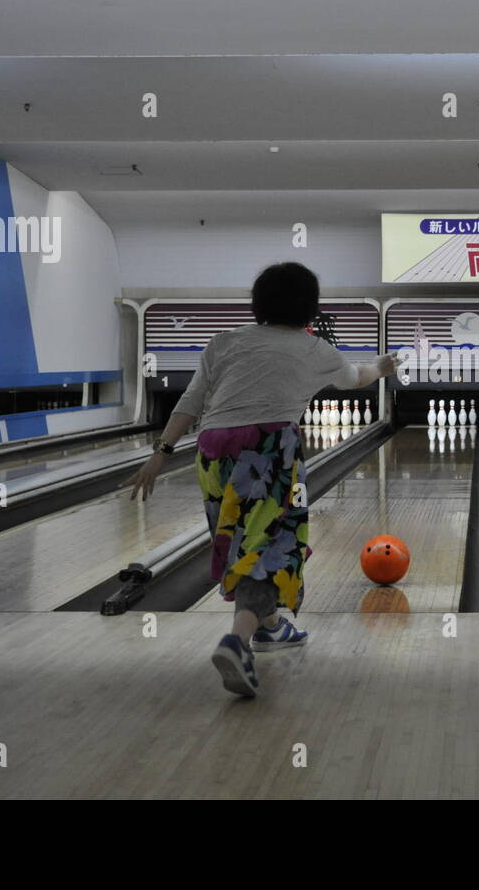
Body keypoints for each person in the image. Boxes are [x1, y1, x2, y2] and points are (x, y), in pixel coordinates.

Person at [127, 262, 398, 697]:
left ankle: (270, 627)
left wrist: (160, 453)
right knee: (270, 548)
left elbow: (191, 400)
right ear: (310, 308)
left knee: (238, 543)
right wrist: (381, 367)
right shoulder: (314, 349)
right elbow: (355, 379)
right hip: (269, 447)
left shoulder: (223, 342)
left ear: (258, 304)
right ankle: (237, 640)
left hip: (212, 450)